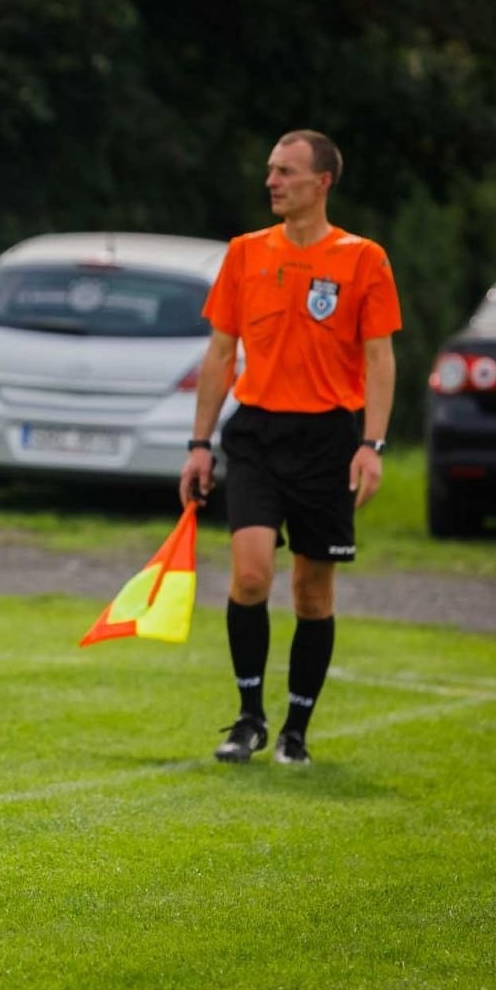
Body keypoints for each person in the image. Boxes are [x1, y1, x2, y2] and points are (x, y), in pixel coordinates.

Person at [180, 129, 401, 766]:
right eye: (270, 171)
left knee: (311, 591)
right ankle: (248, 717)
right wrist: (199, 444)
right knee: (250, 572)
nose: (272, 182)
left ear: (321, 182)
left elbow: (381, 359)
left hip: (330, 439)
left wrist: (372, 445)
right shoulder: (246, 252)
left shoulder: (364, 259)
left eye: (286, 172)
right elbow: (221, 353)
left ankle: (295, 731)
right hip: (256, 434)